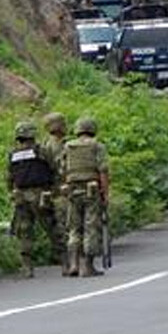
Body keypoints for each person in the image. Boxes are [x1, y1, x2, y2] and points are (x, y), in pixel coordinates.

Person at [6, 121, 57, 279]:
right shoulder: (42, 150)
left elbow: (9, 177)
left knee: (25, 232)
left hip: (20, 196)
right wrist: (54, 189)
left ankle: (27, 267)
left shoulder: (12, 154)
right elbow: (54, 168)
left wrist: (12, 192)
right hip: (40, 193)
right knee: (52, 227)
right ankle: (66, 261)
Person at [61, 117, 110, 277]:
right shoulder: (97, 146)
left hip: (72, 190)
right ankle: (87, 266)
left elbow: (63, 170)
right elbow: (103, 170)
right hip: (91, 190)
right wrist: (105, 193)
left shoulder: (68, 146)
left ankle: (73, 264)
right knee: (91, 226)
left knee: (74, 228)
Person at [41, 112, 70, 273]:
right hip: (61, 189)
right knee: (64, 223)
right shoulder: (60, 145)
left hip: (49, 190)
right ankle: (67, 258)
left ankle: (60, 255)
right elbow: (61, 168)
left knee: (55, 224)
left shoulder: (44, 144)